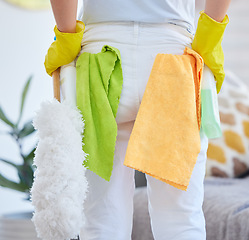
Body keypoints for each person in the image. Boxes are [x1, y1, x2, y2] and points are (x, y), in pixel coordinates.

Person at [44, 0, 231, 239]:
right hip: (172, 55)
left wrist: (66, 37)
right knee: (180, 218)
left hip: (100, 57)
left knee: (102, 220)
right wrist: (209, 36)